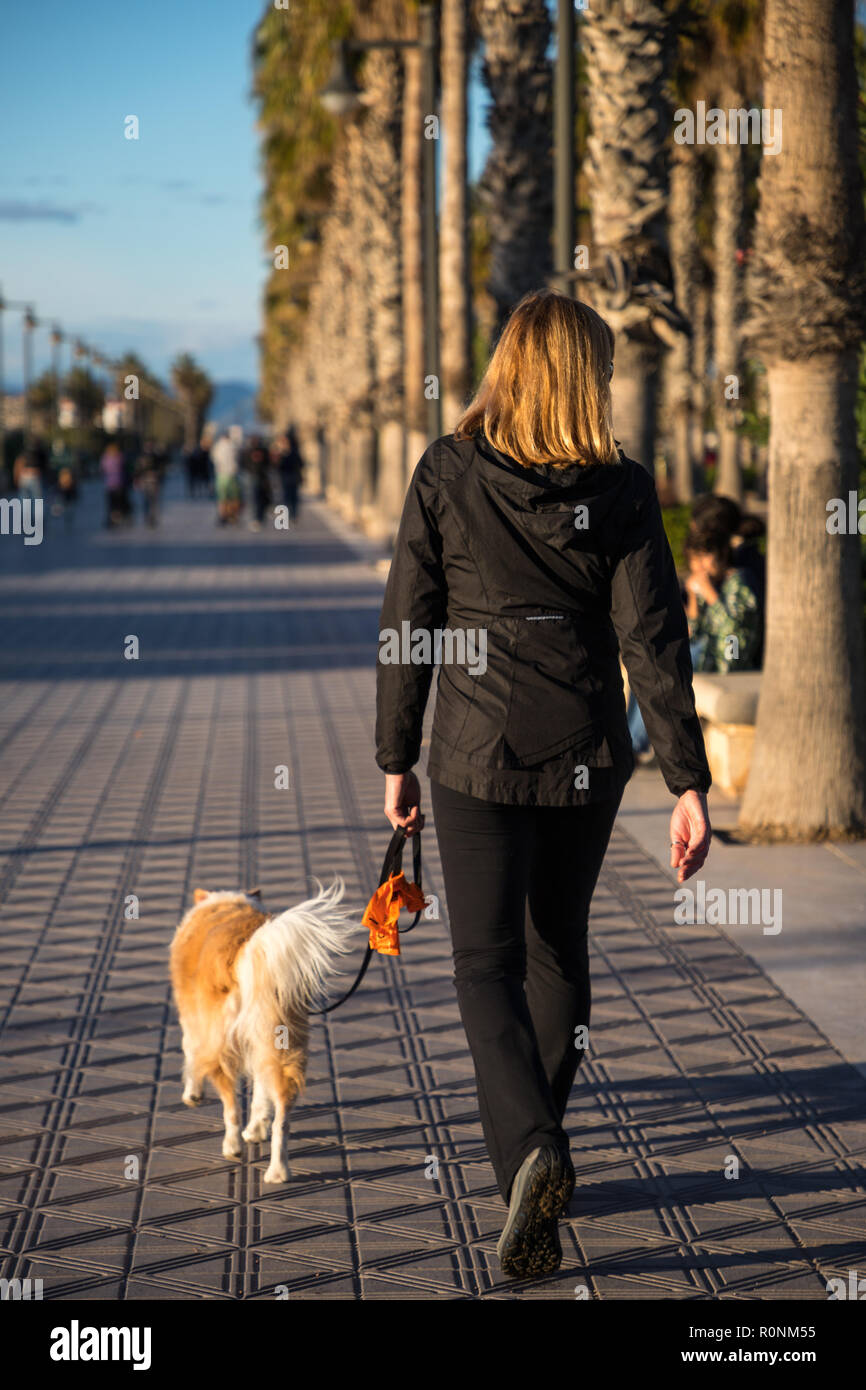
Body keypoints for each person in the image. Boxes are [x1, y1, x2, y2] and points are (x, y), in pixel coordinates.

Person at [374, 290, 712, 1280]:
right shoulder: (619, 487)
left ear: (504, 364)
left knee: (484, 966)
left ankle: (532, 1154)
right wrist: (686, 781)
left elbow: (409, 621)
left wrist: (395, 752)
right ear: (585, 378)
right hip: (585, 751)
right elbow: (653, 639)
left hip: (476, 753)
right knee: (556, 949)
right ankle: (536, 1155)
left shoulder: (446, 469)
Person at [683, 517, 761, 673]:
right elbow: (691, 635)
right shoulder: (707, 585)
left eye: (704, 557)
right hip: (706, 664)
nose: (699, 565)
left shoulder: (739, 581)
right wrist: (692, 596)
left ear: (723, 554)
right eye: (694, 559)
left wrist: (709, 592)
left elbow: (733, 631)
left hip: (733, 666)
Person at [274, 426, 304, 523]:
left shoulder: (294, 452)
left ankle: (294, 515)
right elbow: (277, 466)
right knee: (286, 497)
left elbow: (301, 463)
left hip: (293, 477)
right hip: (285, 477)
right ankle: (287, 516)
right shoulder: (282, 453)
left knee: (293, 497)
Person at [211, 429, 242, 525]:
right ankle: (233, 516)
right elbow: (238, 459)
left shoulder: (217, 447)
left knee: (222, 498)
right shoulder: (233, 446)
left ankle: (223, 516)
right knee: (234, 497)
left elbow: (214, 460)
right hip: (232, 474)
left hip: (221, 475)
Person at [99, 438, 129, 528]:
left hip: (113, 484)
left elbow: (102, 470)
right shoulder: (119, 457)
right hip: (117, 483)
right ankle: (116, 518)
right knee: (117, 503)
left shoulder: (107, 458)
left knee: (113, 503)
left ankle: (114, 518)